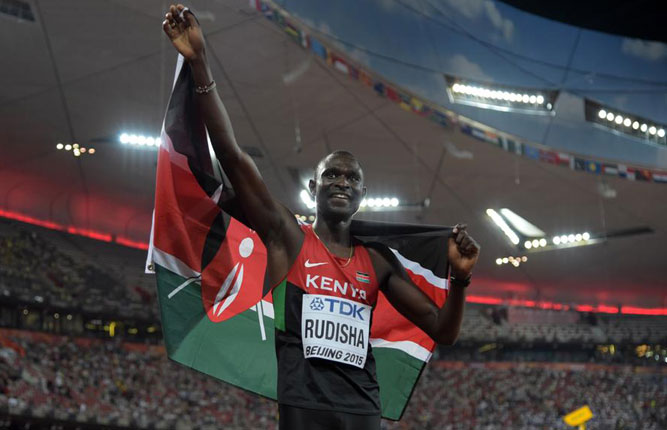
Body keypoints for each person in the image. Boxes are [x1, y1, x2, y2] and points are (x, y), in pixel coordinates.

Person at [162, 5, 480, 429]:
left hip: (362, 409)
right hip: (303, 404)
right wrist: (200, 63)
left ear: (363, 195)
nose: (342, 182)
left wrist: (460, 280)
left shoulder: (377, 262)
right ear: (313, 188)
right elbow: (233, 157)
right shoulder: (287, 236)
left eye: (352, 178)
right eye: (331, 174)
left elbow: (443, 330)